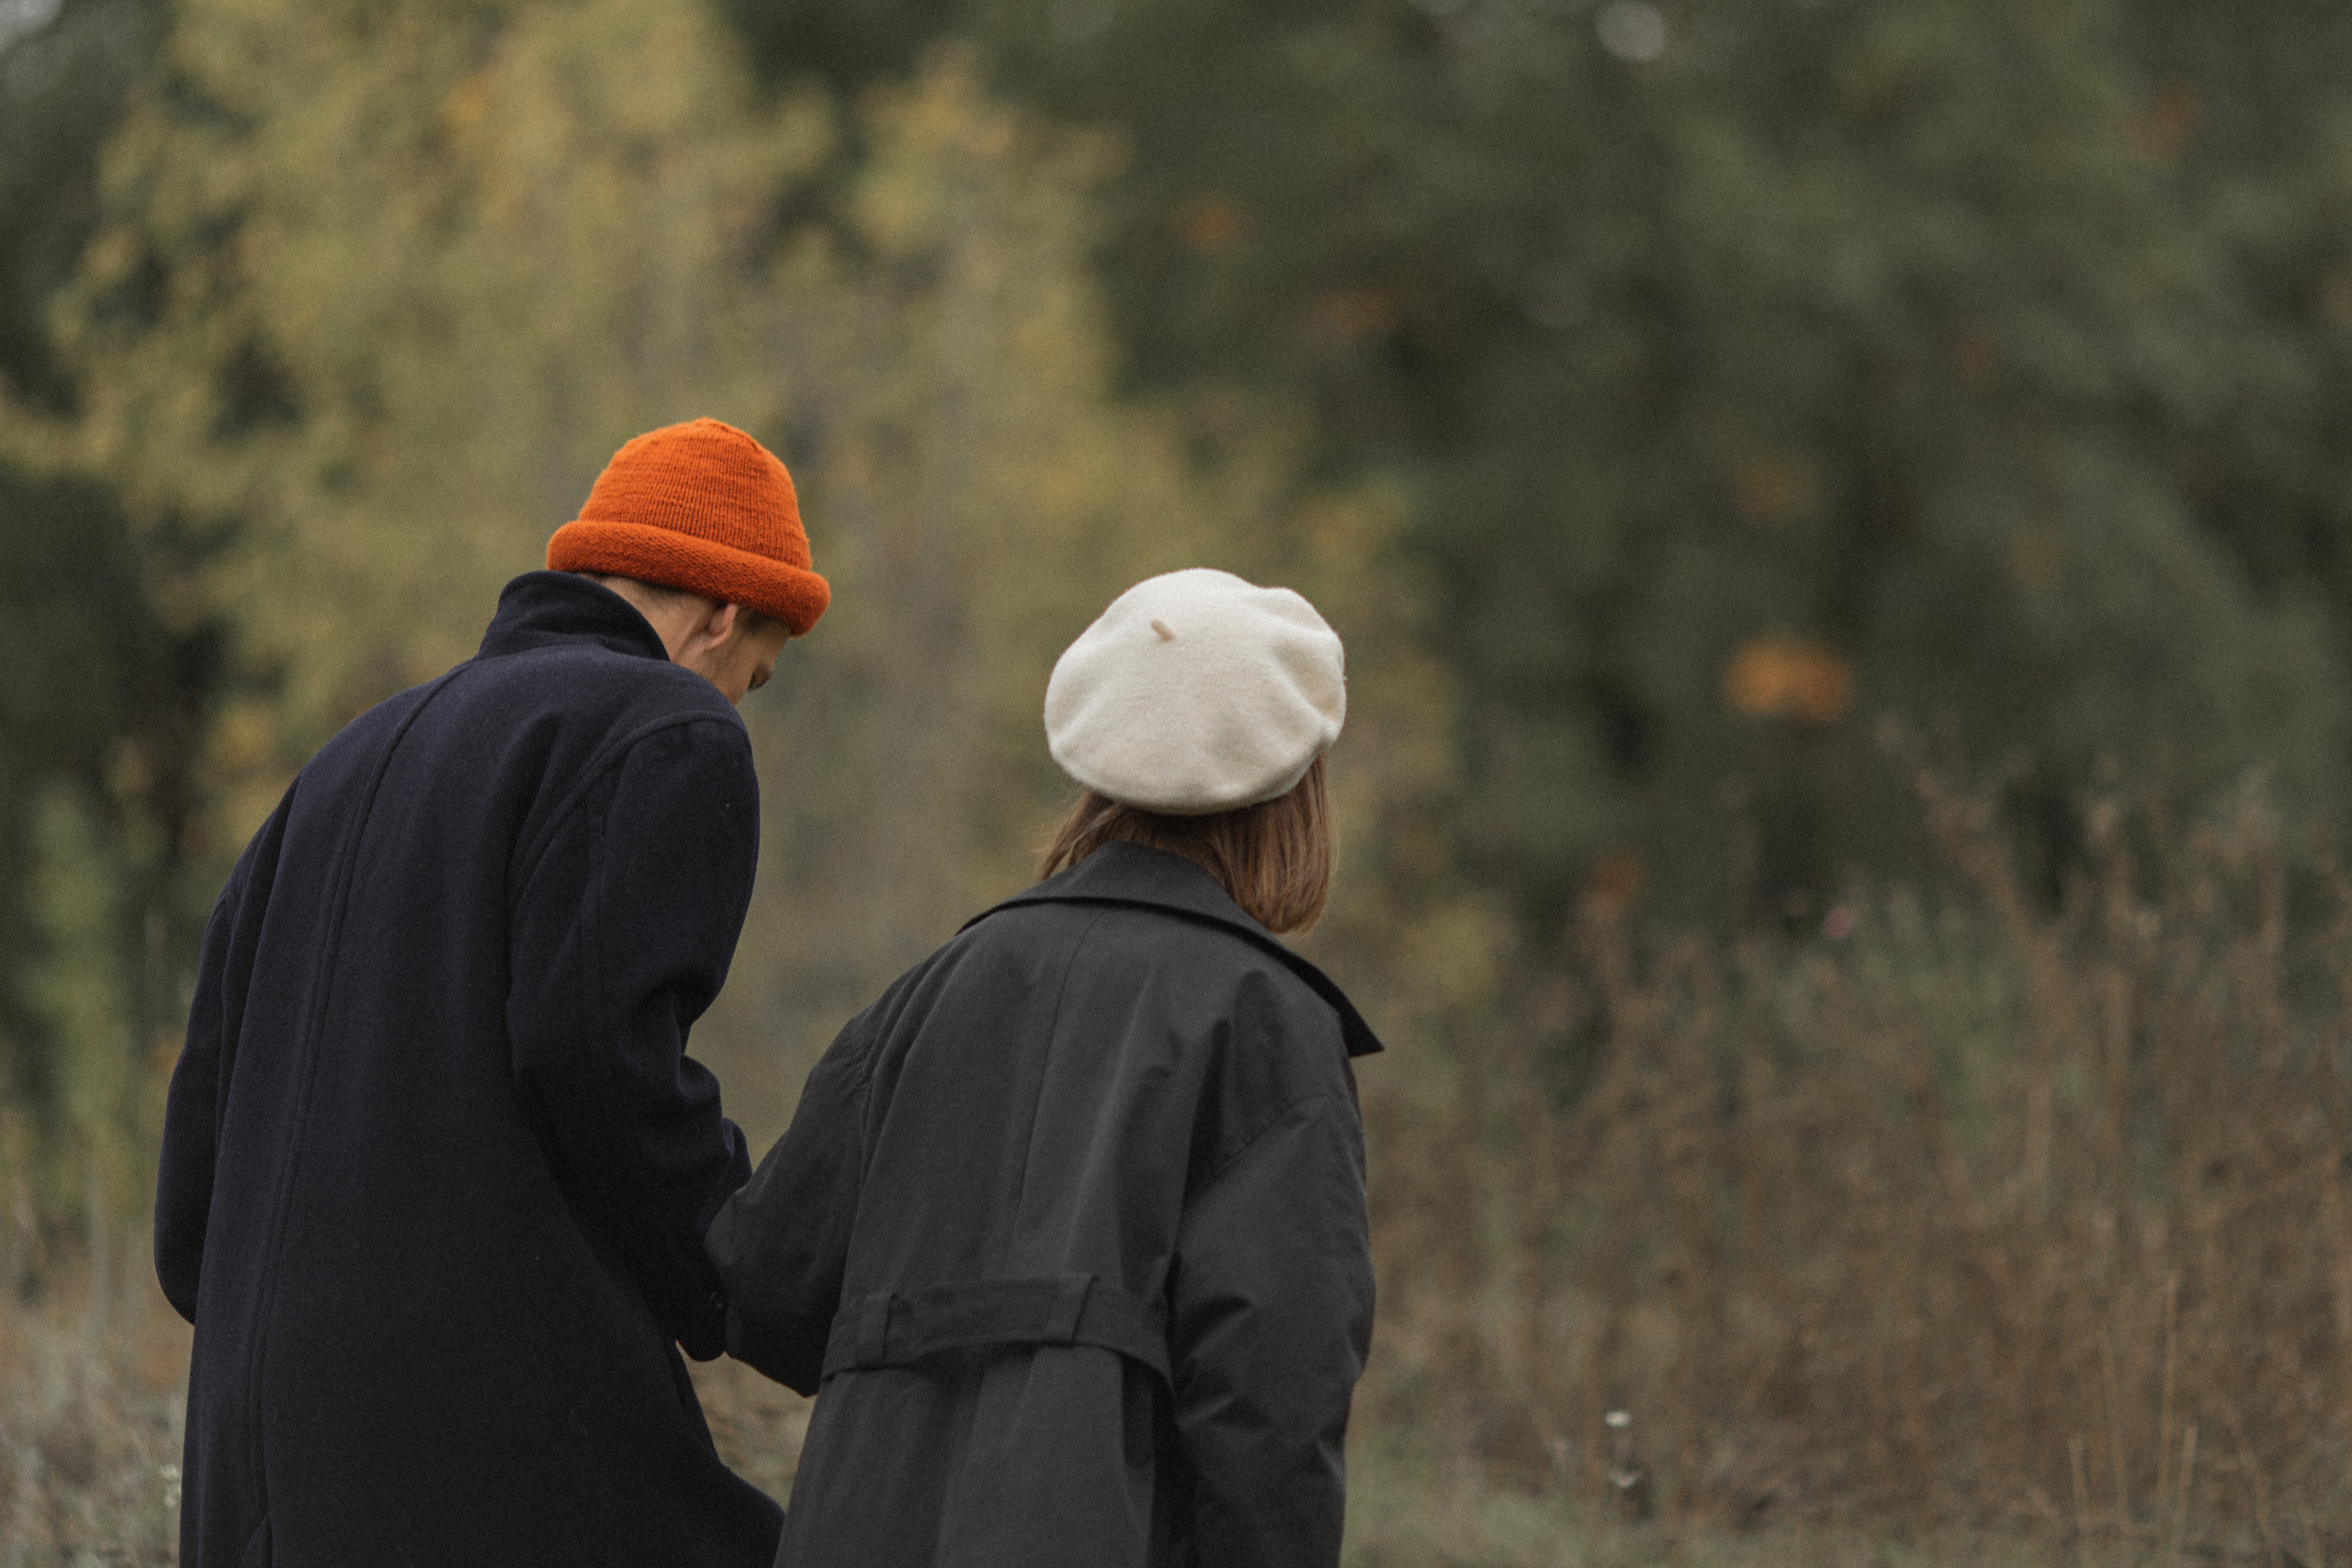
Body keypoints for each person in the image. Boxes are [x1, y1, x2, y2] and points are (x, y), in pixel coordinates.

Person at [153, 417, 827, 1566]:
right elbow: (596, 1056)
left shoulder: (338, 766)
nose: (736, 702)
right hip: (488, 1454)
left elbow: (192, 1201)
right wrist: (767, 1290)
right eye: (751, 677)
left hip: (253, 1473)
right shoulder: (666, 727)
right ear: (719, 614)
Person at [707, 567, 1382, 1568]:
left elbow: (765, 1287)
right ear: (1294, 792)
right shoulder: (1265, 1020)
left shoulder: (927, 993)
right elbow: (1271, 1407)